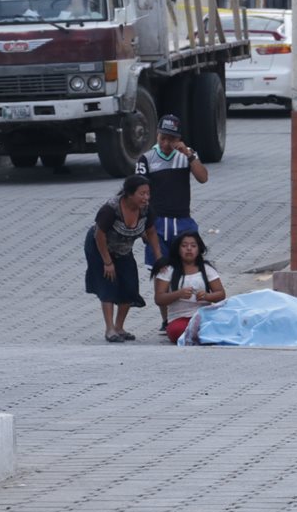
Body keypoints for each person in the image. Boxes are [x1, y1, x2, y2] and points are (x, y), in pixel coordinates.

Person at [136, 113, 209, 332]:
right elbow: (138, 194)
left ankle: (188, 314)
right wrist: (141, 225)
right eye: (163, 138)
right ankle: (166, 318)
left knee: (189, 267)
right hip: (157, 223)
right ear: (157, 135)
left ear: (179, 138)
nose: (167, 144)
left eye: (171, 139)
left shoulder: (186, 156)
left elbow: (203, 177)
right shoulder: (146, 159)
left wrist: (189, 155)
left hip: (183, 221)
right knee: (162, 271)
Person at [84, 175, 164, 342]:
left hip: (124, 249)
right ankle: (110, 329)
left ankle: (120, 327)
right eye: (142, 194)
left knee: (130, 285)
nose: (146, 198)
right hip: (100, 248)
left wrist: (159, 258)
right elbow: (99, 235)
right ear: (129, 194)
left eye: (148, 193)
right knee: (108, 284)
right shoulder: (111, 209)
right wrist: (107, 262)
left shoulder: (146, 209)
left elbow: (151, 232)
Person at [151, 230, 226, 344]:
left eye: (193, 246)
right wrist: (178, 294)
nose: (189, 249)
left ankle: (202, 335)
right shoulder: (168, 270)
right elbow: (159, 299)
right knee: (178, 330)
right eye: (184, 246)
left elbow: (221, 294)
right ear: (178, 249)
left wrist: (207, 296)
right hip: (179, 318)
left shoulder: (206, 269)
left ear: (199, 249)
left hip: (203, 315)